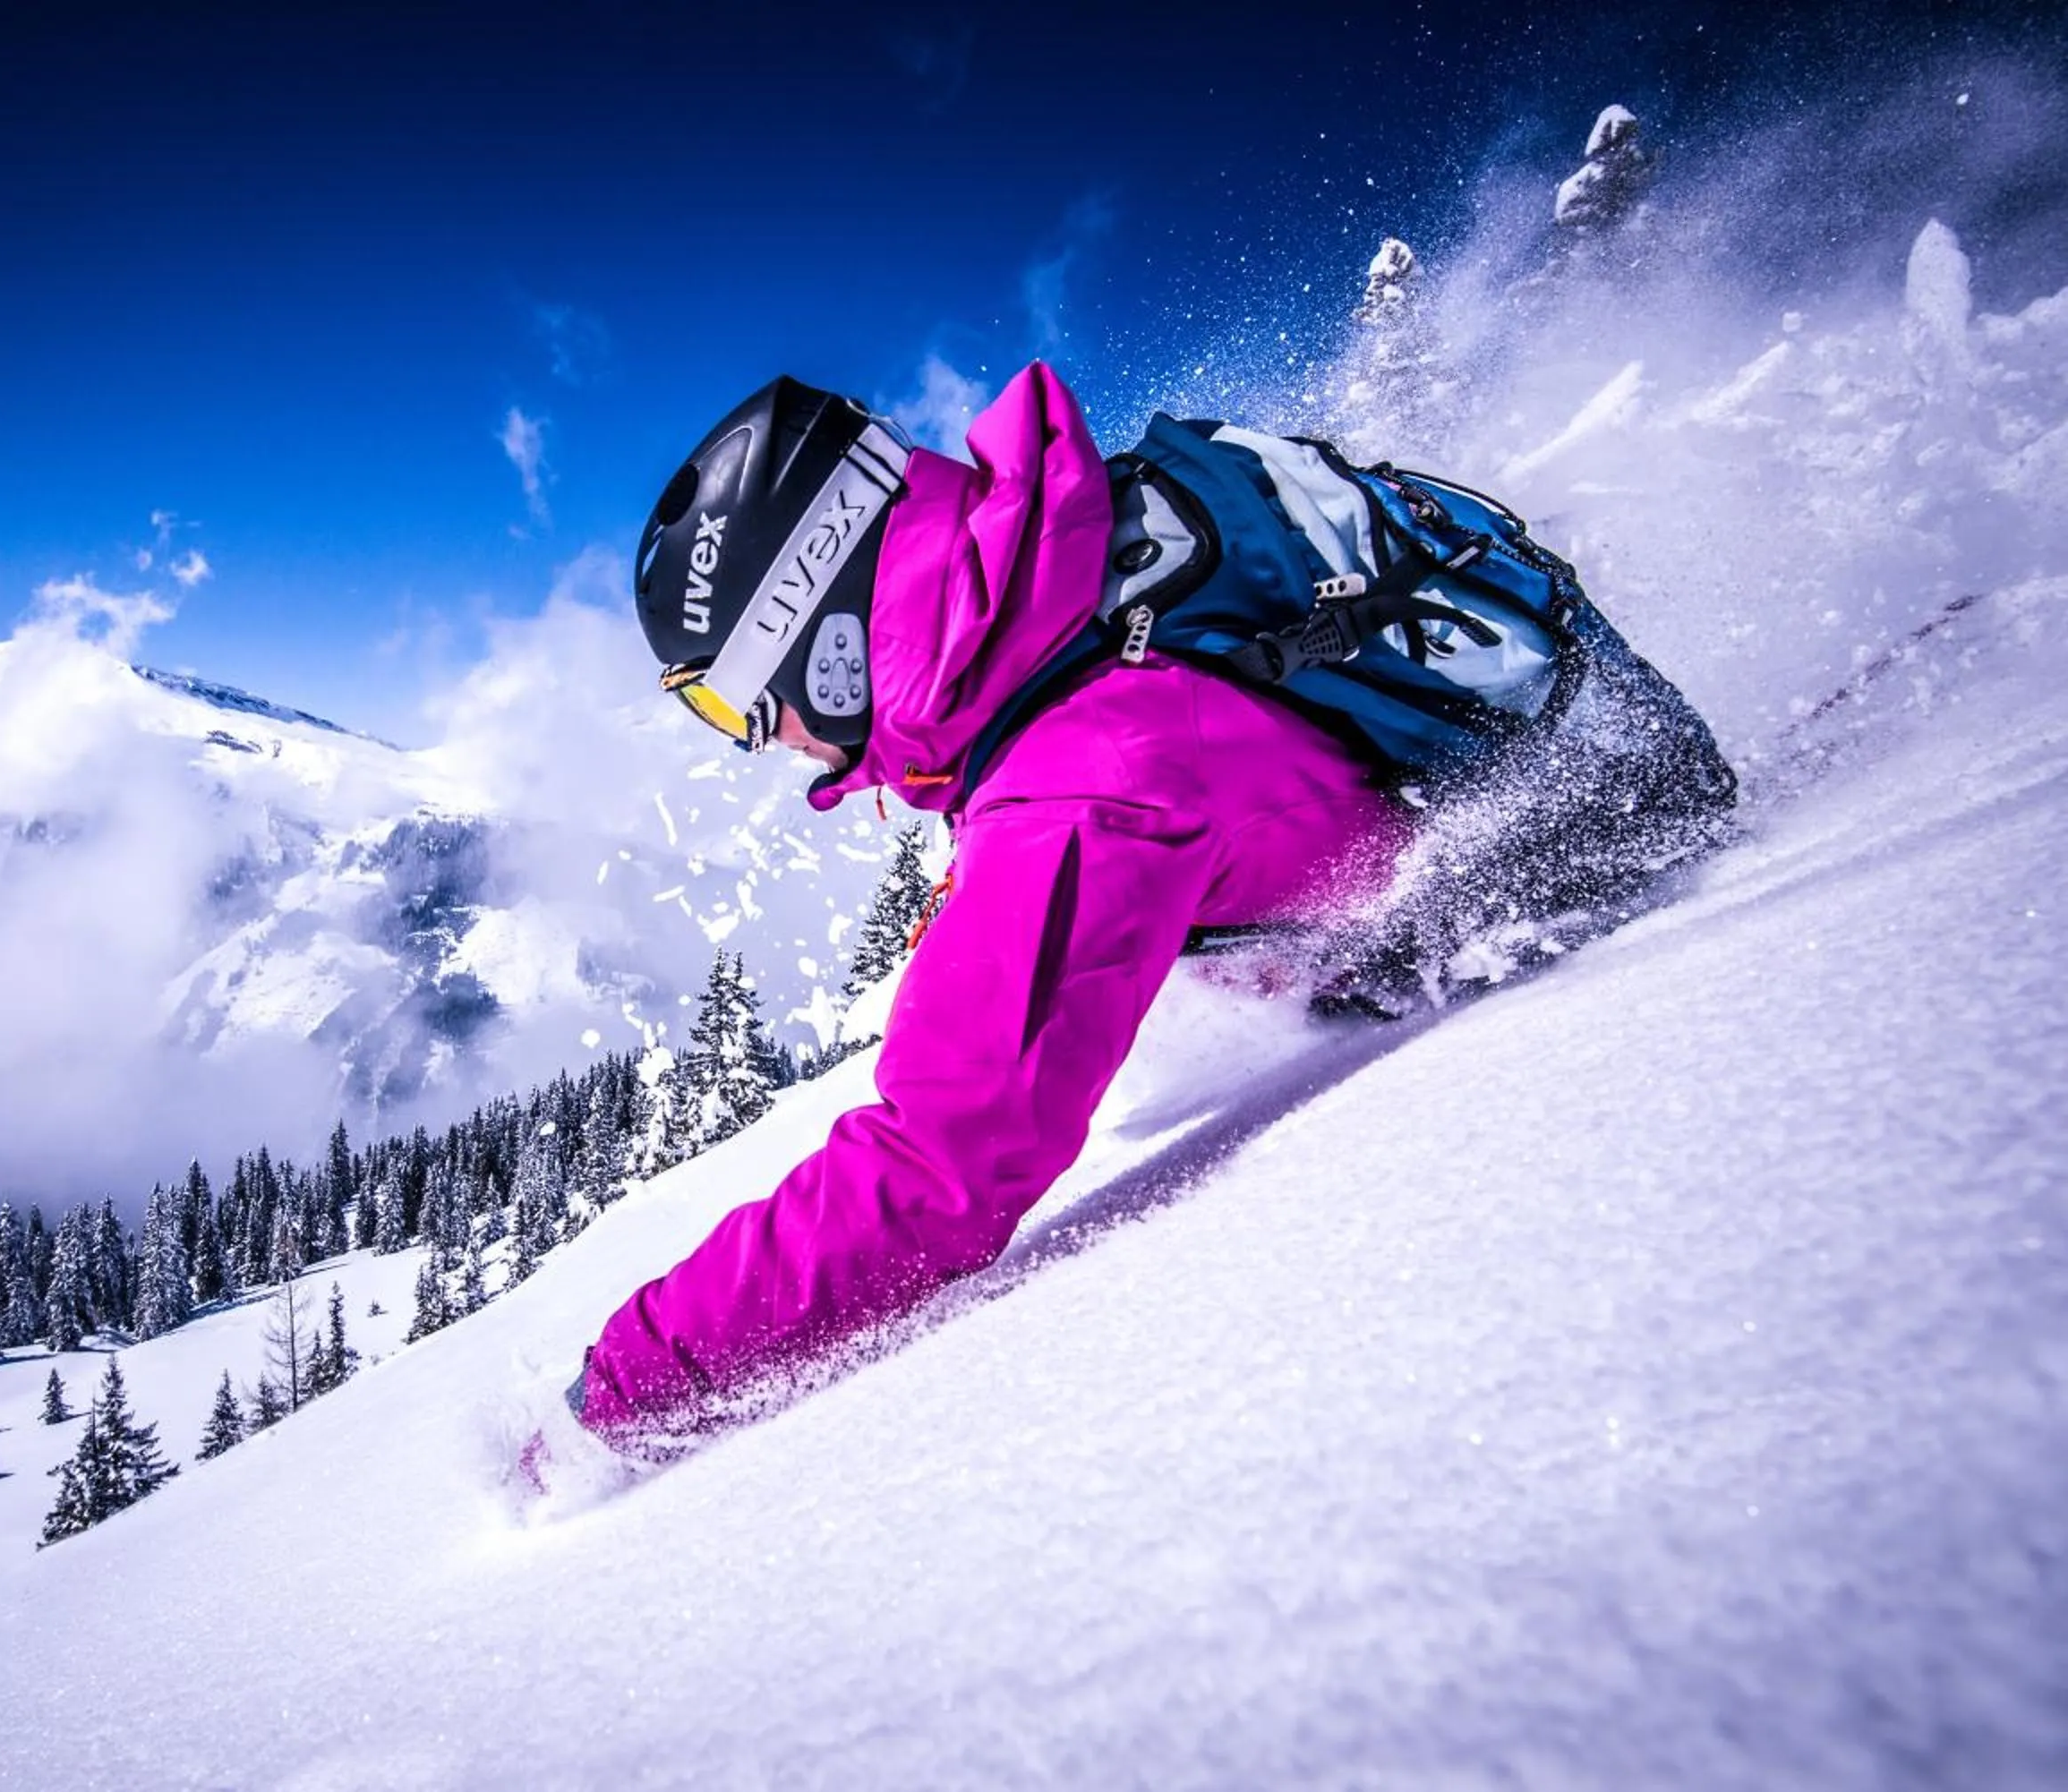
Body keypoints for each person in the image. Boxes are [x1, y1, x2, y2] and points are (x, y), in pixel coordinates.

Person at [555, 361, 1722, 1455]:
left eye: (736, 705)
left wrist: (617, 1395)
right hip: (1409, 867)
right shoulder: (1074, 577)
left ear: (822, 643)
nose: (769, 745)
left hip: (1472, 927)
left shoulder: (1075, 784)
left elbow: (936, 1174)